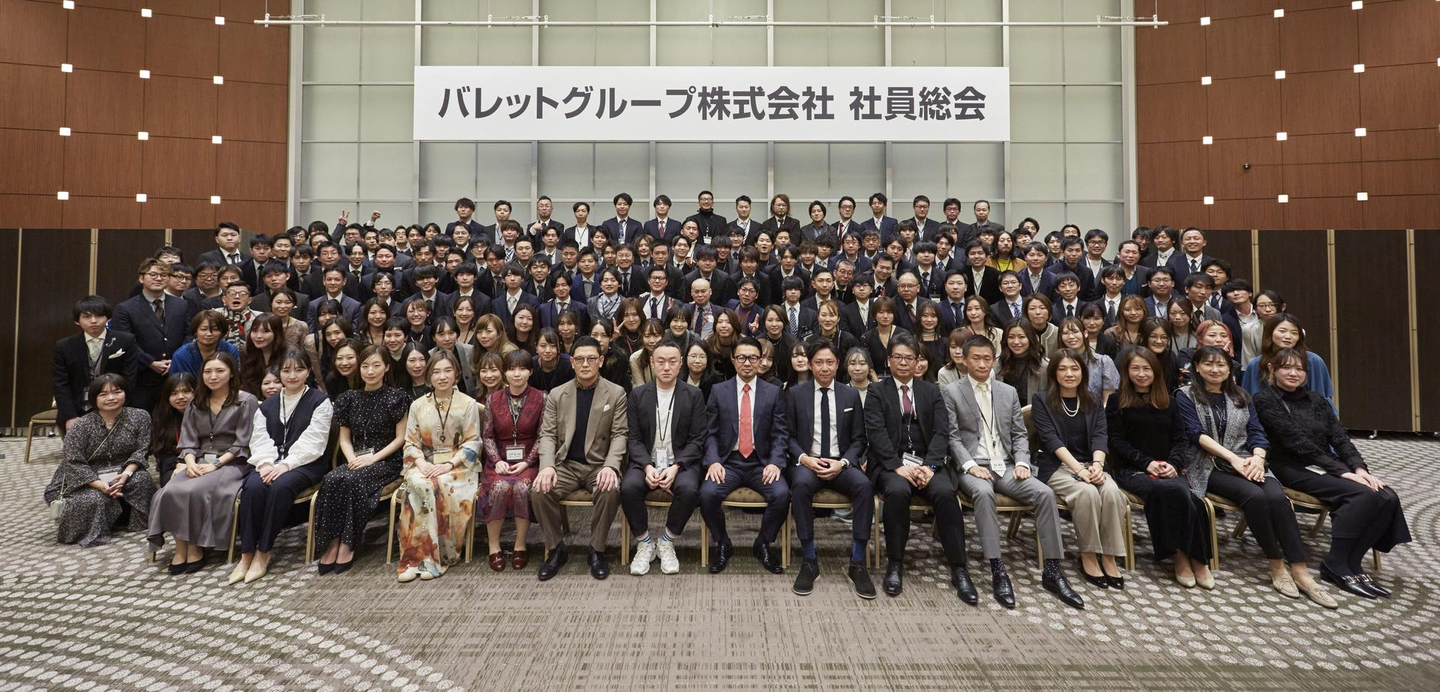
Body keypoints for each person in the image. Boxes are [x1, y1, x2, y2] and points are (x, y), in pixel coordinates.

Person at [1177, 346, 1337, 608]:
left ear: (1229, 368)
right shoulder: (1185, 396)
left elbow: (1256, 432)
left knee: (1277, 497)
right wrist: (1233, 459)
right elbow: (1195, 434)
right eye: (1208, 364)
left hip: (1249, 461)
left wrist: (1258, 458)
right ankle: (1276, 565)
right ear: (1196, 367)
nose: (1215, 369)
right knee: (1254, 497)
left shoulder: (1241, 395)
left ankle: (1301, 571)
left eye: (1221, 364)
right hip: (1207, 465)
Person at [1254, 348, 1410, 599]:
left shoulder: (1316, 400)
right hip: (1291, 467)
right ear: (1272, 369)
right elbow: (1297, 443)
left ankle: (1353, 563)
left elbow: (1339, 437)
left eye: (1299, 369)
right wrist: (1342, 473)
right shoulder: (1264, 400)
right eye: (1287, 368)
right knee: (1362, 495)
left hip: (1324, 464)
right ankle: (1335, 563)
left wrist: (1359, 468)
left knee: (1387, 496)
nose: (1294, 373)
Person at [944, 336, 1084, 609]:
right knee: (983, 494)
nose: (982, 364)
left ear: (994, 360)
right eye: (976, 358)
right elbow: (953, 437)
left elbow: (1020, 435)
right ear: (964, 360)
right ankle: (997, 568)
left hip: (1007, 465)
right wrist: (971, 466)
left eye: (987, 358)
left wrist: (1022, 461)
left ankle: (1053, 571)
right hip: (973, 465)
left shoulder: (1007, 392)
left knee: (1044, 493)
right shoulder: (951, 392)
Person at [864, 332, 972, 600]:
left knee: (946, 493)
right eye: (898, 357)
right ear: (889, 361)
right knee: (897, 492)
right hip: (891, 465)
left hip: (927, 462)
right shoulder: (876, 391)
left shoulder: (932, 391)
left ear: (917, 362)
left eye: (909, 358)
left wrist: (930, 466)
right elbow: (876, 433)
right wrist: (897, 466)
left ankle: (959, 567)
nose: (903, 363)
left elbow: (941, 432)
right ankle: (895, 563)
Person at [1107, 348, 1215, 588]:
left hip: (1168, 467)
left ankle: (1198, 560)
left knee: (1193, 500)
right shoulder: (1117, 401)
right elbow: (1116, 442)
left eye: (1146, 368)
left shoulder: (1169, 401)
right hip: (1132, 469)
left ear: (1155, 371)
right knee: (1170, 491)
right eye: (1135, 368)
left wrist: (1173, 464)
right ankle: (1181, 556)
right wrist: (1147, 463)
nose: (1141, 374)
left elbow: (1180, 440)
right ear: (1127, 371)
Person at [147, 353, 260, 574]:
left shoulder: (246, 401)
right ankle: (182, 548)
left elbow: (242, 444)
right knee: (169, 491)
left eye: (220, 371)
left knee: (193, 490)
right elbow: (188, 442)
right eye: (208, 372)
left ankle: (195, 547)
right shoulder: (196, 402)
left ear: (231, 373)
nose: (213, 376)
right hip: (199, 460)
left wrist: (215, 464)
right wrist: (189, 462)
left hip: (232, 463)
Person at [1029, 349, 1131, 593]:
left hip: (1091, 464)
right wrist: (1079, 470)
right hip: (1058, 466)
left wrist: (1097, 465)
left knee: (1112, 493)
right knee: (1087, 493)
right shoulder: (1042, 400)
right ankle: (1088, 555)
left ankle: (1109, 557)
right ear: (1054, 373)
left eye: (1074, 368)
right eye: (1062, 369)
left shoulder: (1093, 400)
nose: (1069, 374)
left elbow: (1100, 435)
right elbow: (1051, 440)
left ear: (1083, 373)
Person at [783, 339, 877, 598]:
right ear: (810, 365)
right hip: (809, 462)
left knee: (864, 486)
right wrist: (804, 459)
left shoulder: (850, 395)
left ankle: (858, 561)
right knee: (800, 485)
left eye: (829, 362)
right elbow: (788, 436)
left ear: (837, 365)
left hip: (840, 462)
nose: (824, 368)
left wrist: (843, 462)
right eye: (819, 363)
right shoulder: (795, 394)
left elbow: (859, 439)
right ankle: (809, 559)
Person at [232, 349, 333, 584]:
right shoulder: (267, 405)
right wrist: (267, 463)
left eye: (299, 369)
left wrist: (286, 464)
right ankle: (246, 554)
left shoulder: (320, 401)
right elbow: (259, 438)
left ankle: (263, 552)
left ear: (308, 372)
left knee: (280, 487)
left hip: (306, 464)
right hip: (270, 463)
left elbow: (315, 441)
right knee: (253, 487)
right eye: (286, 370)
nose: (292, 375)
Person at [533, 337, 630, 580]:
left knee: (610, 490)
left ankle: (597, 549)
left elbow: (620, 434)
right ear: (572, 362)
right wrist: (547, 466)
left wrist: (611, 466)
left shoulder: (615, 393)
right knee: (539, 490)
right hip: (566, 464)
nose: (585, 364)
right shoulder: (557, 394)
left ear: (601, 361)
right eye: (579, 359)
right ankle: (556, 548)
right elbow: (547, 434)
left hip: (599, 465)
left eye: (591, 359)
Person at [698, 335, 792, 575]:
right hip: (728, 462)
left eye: (752, 358)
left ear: (760, 360)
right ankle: (722, 542)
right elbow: (710, 433)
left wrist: (775, 463)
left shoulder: (773, 392)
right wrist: (713, 461)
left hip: (761, 463)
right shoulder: (719, 391)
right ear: (733, 360)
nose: (747, 363)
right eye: (741, 357)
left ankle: (763, 542)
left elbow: (780, 433)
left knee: (782, 494)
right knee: (707, 493)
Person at [313, 347, 410, 575]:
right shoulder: (348, 398)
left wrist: (372, 459)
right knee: (331, 478)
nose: (370, 371)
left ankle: (348, 542)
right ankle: (332, 541)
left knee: (352, 480)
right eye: (365, 366)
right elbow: (344, 439)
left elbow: (400, 438)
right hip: (355, 460)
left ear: (386, 367)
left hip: (386, 460)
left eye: (376, 365)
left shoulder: (397, 397)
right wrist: (353, 459)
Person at [621, 339, 711, 576]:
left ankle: (667, 541)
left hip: (680, 463)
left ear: (681, 364)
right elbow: (634, 439)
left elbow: (697, 439)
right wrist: (647, 466)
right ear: (652, 363)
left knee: (690, 490)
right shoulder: (638, 395)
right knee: (628, 488)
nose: (666, 367)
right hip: (646, 461)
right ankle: (644, 542)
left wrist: (676, 466)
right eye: (660, 362)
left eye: (672, 361)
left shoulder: (693, 395)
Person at [396, 351, 483, 583]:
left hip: (458, 468)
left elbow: (473, 443)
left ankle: (431, 559)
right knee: (420, 484)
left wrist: (448, 464)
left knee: (433, 485)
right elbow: (410, 443)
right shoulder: (417, 405)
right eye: (436, 372)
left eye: (447, 371)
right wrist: (422, 464)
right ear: (428, 376)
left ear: (456, 374)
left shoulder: (468, 404)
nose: (442, 376)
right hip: (424, 464)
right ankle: (414, 558)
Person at [44, 374, 156, 548]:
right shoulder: (81, 425)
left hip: (123, 470)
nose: (111, 398)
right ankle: (91, 529)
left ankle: (132, 521)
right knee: (94, 498)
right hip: (85, 477)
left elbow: (141, 450)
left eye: (117, 392)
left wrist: (126, 474)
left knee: (142, 480)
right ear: (94, 398)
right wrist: (99, 485)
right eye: (103, 394)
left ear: (125, 393)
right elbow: (73, 462)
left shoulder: (140, 416)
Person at [479, 350, 546, 571]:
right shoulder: (493, 399)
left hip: (529, 460)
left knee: (522, 487)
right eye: (511, 369)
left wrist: (527, 462)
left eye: (522, 369)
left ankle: (520, 545)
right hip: (499, 459)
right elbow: (488, 436)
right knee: (498, 487)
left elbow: (543, 436)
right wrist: (496, 460)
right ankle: (494, 546)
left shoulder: (541, 398)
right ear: (504, 372)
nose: (517, 374)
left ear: (531, 371)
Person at [53, 296, 139, 432]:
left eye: (99, 316)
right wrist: (70, 416)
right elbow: (60, 383)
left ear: (108, 318)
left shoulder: (125, 340)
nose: (93, 321)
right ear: (77, 321)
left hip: (116, 405)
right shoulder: (64, 346)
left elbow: (129, 377)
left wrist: (120, 409)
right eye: (87, 317)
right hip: (77, 409)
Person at [1241, 313, 1334, 404]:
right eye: (1282, 331)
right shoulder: (1256, 364)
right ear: (1270, 332)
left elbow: (1324, 400)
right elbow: (1248, 402)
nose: (1288, 337)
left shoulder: (1313, 360)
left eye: (1294, 333)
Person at [1056, 317, 1119, 404]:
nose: (1071, 337)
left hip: (1097, 411)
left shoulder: (1103, 362)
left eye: (1075, 332)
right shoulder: (1056, 363)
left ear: (1085, 333)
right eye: (1066, 333)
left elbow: (1107, 401)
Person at [149, 372, 197, 486]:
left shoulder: (206, 415)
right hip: (172, 463)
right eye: (174, 393)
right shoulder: (162, 416)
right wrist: (178, 464)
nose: (180, 397)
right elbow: (161, 452)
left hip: (200, 461)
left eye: (186, 391)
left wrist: (188, 463)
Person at [169, 311, 239, 379]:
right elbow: (177, 383)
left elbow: (235, 379)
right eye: (204, 329)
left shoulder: (230, 350)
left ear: (222, 332)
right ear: (195, 331)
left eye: (215, 329)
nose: (209, 334)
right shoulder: (181, 355)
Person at [997, 323, 1048, 405]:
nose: (1016, 342)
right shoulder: (998, 363)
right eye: (1011, 337)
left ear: (1030, 338)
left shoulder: (1044, 366)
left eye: (1021, 337)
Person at [238, 314, 286, 397]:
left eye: (265, 331)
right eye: (255, 331)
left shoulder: (288, 353)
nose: (258, 336)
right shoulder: (245, 351)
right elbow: (246, 383)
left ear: (276, 333)